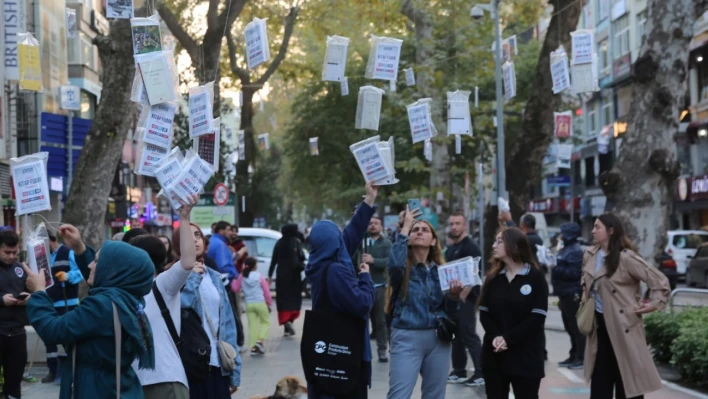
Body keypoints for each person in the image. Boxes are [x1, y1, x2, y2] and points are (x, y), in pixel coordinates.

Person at [26, 236, 156, 399]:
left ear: (113, 269)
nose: (89, 265)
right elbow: (103, 280)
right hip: (114, 387)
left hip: (94, 389)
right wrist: (80, 249)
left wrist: (39, 292)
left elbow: (52, 330)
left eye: (96, 261)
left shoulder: (101, 305)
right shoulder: (127, 298)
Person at [583, 214, 670, 399]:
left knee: (628, 384)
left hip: (624, 326)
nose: (593, 231)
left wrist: (653, 305)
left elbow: (659, 281)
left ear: (611, 231)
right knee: (599, 385)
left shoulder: (626, 258)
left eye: (597, 227)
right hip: (599, 328)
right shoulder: (590, 255)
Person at [305, 182, 378, 399]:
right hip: (344, 353)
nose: (341, 237)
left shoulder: (321, 261)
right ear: (333, 241)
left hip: (328, 351)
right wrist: (365, 279)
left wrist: (369, 200)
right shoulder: (336, 270)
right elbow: (361, 304)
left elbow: (351, 234)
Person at [386, 207, 463, 399]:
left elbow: (451, 311)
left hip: (438, 340)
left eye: (425, 230)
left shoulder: (443, 271)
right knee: (398, 396)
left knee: (435, 396)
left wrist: (454, 296)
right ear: (408, 239)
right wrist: (405, 227)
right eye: (415, 230)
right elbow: (394, 265)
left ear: (434, 240)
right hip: (406, 337)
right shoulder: (402, 268)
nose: (419, 232)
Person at [129, 195, 198, 399]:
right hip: (131, 384)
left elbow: (187, 263)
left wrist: (184, 217)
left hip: (164, 381)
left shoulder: (162, 285)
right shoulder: (120, 292)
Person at [478, 227, 548, 399]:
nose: (494, 245)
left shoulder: (535, 277)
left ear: (515, 246)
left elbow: (537, 316)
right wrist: (495, 336)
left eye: (499, 241)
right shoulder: (493, 278)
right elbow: (484, 312)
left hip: (526, 356)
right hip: (495, 355)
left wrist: (508, 339)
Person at [180, 223, 241, 398]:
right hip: (191, 365)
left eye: (198, 235)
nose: (194, 240)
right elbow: (182, 306)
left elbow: (227, 324)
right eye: (188, 236)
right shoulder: (172, 277)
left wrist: (234, 369)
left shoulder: (214, 277)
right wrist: (192, 278)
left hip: (218, 364)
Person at [445, 212, 484, 388]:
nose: (454, 227)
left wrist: (463, 296)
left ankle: (481, 372)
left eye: (457, 223)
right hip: (453, 299)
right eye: (451, 223)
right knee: (456, 336)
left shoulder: (471, 247)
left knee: (469, 335)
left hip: (466, 300)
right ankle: (459, 370)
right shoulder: (452, 248)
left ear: (464, 226)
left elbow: (475, 274)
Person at [41, 233, 84, 384]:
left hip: (68, 302)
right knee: (49, 339)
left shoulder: (67, 252)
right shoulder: (43, 257)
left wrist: (68, 275)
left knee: (69, 337)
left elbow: (80, 272)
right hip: (50, 303)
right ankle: (52, 370)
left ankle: (72, 370)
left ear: (51, 241)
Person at [0, 229, 30, 399]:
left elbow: (31, 289)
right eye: (7, 252)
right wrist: (2, 299)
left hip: (17, 331)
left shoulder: (20, 268)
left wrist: (28, 297)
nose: (11, 256)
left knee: (15, 378)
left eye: (14, 252)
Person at [552, 222, 584, 370]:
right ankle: (573, 354)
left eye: (562, 233)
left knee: (575, 327)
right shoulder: (566, 249)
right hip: (564, 293)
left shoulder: (575, 251)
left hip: (573, 294)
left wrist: (555, 266)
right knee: (569, 327)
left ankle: (580, 356)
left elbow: (574, 273)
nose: (560, 236)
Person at [361, 215, 392, 363]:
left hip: (379, 286)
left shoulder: (386, 243)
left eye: (376, 223)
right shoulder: (361, 242)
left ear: (381, 226)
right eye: (370, 223)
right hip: (361, 285)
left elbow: (390, 262)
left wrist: (374, 261)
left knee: (380, 321)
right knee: (362, 320)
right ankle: (360, 351)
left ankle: (382, 351)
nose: (373, 225)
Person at [268, 224, 306, 337]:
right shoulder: (296, 242)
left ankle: (286, 327)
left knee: (283, 299)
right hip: (294, 276)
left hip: (281, 275)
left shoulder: (279, 243)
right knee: (294, 298)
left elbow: (273, 260)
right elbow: (302, 257)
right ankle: (291, 321)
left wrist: (270, 275)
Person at [232, 257, 273, 355]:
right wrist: (269, 303)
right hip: (260, 303)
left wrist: (233, 280)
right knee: (265, 322)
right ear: (255, 265)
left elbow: (235, 289)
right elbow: (266, 291)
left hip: (249, 304)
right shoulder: (259, 276)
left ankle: (254, 348)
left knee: (252, 326)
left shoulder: (242, 276)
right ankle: (260, 341)